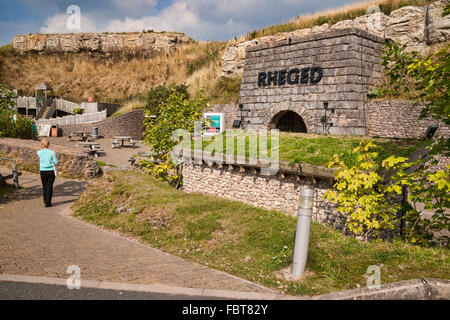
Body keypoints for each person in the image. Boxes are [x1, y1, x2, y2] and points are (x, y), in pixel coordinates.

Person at [37, 138, 58, 207]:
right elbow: (56, 162)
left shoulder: (39, 152)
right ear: (48, 144)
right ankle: (48, 202)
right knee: (49, 186)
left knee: (44, 186)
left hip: (42, 171)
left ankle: (45, 201)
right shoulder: (52, 152)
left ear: (42, 144)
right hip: (51, 171)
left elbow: (40, 159)